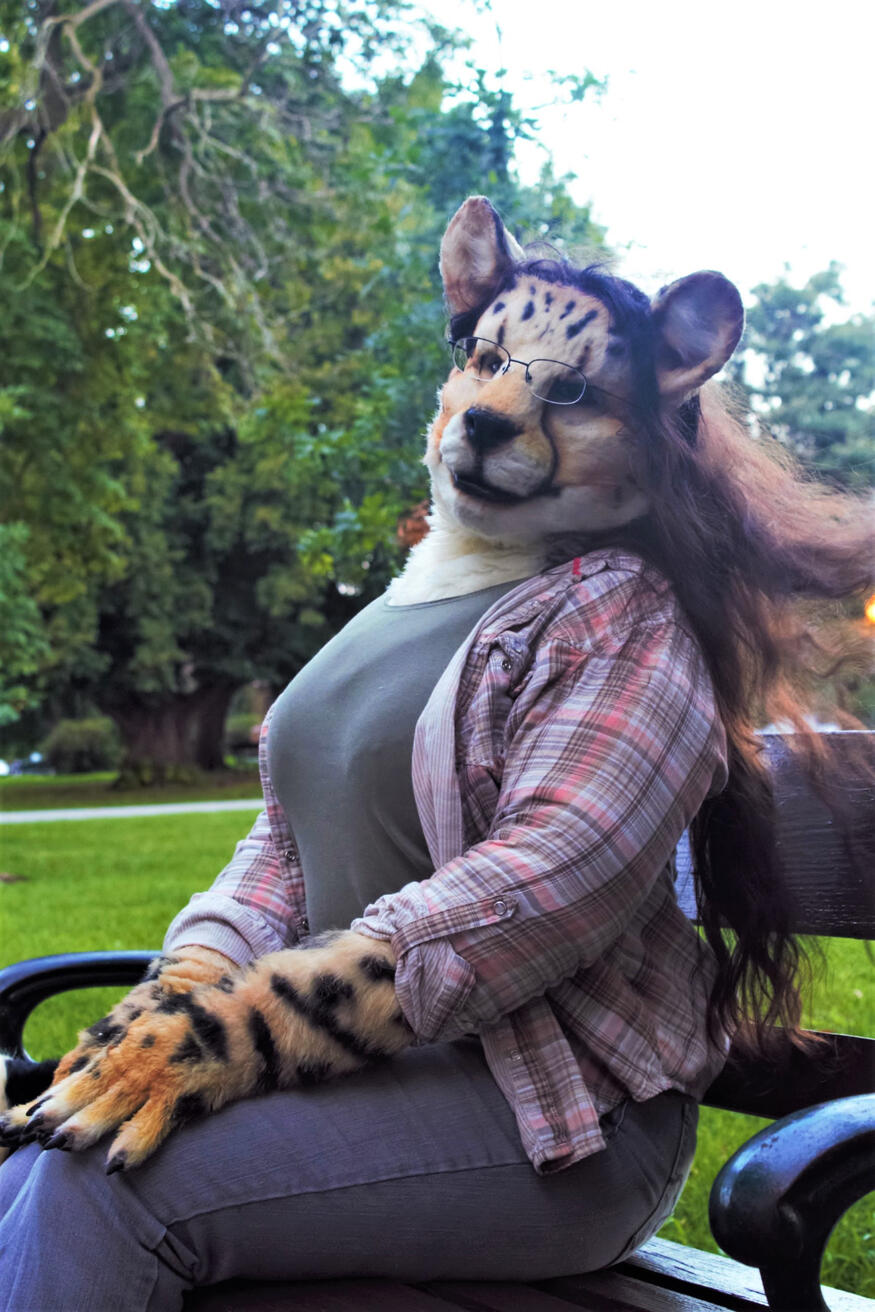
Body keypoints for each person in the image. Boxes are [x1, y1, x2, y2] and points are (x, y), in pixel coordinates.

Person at [1, 197, 871, 1311]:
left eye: (569, 394)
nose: (500, 408)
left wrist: (235, 1034)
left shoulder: (622, 617)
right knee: (40, 1151)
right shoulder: (419, 592)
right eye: (486, 357)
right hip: (373, 1067)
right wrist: (184, 986)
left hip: (557, 1119)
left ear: (651, 435)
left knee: (108, 1187)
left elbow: (548, 879)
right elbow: (282, 837)